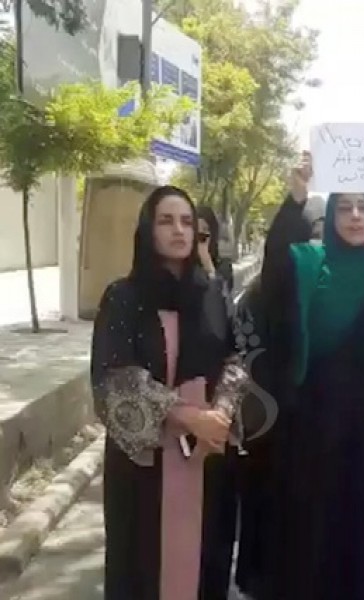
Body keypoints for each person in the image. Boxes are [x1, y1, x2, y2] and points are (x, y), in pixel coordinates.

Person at [260, 149, 364, 600]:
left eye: (362, 207)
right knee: (318, 528)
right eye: (343, 207)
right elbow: (275, 261)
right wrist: (296, 196)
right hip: (317, 426)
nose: (354, 216)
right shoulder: (310, 262)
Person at [90, 185, 246, 600]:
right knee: (144, 566)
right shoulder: (124, 298)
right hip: (145, 465)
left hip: (206, 455)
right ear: (148, 230)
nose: (179, 230)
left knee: (204, 562)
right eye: (166, 220)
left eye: (186, 221)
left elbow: (235, 358)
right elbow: (113, 379)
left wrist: (221, 413)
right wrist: (183, 414)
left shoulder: (212, 295)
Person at [232, 162, 325, 599]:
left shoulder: (343, 283)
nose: (320, 238)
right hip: (275, 422)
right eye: (314, 227)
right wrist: (297, 195)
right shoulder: (269, 287)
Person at [197, 205, 235, 294]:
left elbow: (224, 298)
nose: (199, 236)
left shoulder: (223, 266)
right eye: (195, 230)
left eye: (205, 230)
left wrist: (209, 267)